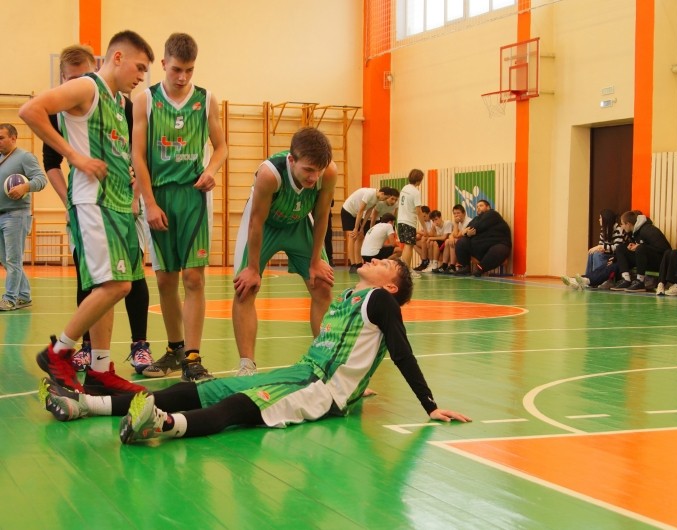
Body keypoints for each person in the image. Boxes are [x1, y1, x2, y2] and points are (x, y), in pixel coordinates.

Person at [39, 258, 471, 444]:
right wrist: (357, 387)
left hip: (318, 389)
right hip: (301, 373)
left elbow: (401, 352)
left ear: (391, 287)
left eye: (385, 265)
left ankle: (163, 426)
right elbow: (360, 352)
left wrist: (429, 405)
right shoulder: (350, 297)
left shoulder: (382, 302)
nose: (375, 261)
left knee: (239, 406)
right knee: (204, 390)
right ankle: (86, 405)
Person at [19, 30, 155, 394]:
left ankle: (99, 369)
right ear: (118, 58)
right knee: (117, 285)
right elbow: (30, 111)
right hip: (93, 202)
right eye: (140, 67)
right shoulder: (86, 87)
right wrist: (74, 156)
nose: (142, 76)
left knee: (111, 286)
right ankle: (59, 352)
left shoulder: (118, 101)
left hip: (118, 206)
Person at [131, 33, 227, 382]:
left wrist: (211, 170)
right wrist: (149, 202)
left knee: (194, 278)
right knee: (165, 278)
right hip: (159, 196)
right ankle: (175, 349)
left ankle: (193, 357)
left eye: (189, 70)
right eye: (176, 70)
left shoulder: (206, 99)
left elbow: (221, 147)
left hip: (193, 197)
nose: (183, 77)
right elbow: (137, 155)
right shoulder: (145, 100)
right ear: (163, 65)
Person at [232, 127, 337, 376]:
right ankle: (247, 366)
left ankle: (326, 364)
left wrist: (315, 261)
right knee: (246, 288)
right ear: (291, 160)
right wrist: (252, 268)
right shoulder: (270, 174)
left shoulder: (328, 172)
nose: (313, 177)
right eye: (308, 170)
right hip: (265, 225)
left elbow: (322, 215)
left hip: (298, 224)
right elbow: (256, 222)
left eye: (318, 171)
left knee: (322, 284)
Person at [0, 124, 47, 311]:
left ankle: (9, 299)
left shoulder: (25, 157)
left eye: (1, 138)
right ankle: (24, 296)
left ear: (13, 138)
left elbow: (41, 179)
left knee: (13, 260)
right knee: (6, 260)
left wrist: (25, 187)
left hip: (16, 215)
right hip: (1, 214)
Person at [561, 208, 625, 290]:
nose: (599, 220)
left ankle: (594, 280)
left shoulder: (618, 230)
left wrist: (601, 247)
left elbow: (617, 248)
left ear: (605, 219)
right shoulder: (604, 229)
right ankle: (584, 278)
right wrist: (600, 248)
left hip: (613, 256)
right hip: (607, 254)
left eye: (600, 218)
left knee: (597, 254)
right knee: (592, 253)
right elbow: (601, 244)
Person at [610, 211, 672, 292]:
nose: (622, 227)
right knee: (620, 248)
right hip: (644, 259)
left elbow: (665, 249)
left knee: (640, 248)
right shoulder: (634, 232)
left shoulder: (649, 230)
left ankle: (640, 281)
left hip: (659, 262)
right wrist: (615, 258)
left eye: (622, 224)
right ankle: (626, 279)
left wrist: (641, 246)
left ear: (628, 224)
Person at [341, 187, 399, 272]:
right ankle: (353, 265)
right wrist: (356, 228)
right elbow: (361, 211)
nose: (385, 200)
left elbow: (368, 212)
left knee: (360, 236)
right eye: (386, 198)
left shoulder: (378, 199)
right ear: (382, 194)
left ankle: (358, 263)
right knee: (352, 236)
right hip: (348, 211)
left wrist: (362, 228)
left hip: (357, 214)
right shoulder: (369, 194)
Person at [452, 199, 511, 276]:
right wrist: (467, 233)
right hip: (480, 247)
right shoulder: (476, 218)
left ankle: (480, 269)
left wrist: (466, 231)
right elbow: (466, 230)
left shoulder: (492, 214)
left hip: (496, 243)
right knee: (462, 242)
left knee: (499, 249)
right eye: (477, 207)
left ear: (488, 207)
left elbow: (478, 226)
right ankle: (465, 267)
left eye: (481, 205)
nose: (478, 208)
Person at [397, 169, 428, 279]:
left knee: (407, 246)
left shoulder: (404, 188)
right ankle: (406, 271)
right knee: (409, 246)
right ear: (419, 180)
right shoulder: (415, 192)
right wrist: (425, 228)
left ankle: (404, 270)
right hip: (409, 222)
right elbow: (419, 212)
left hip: (400, 221)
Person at [432, 204, 467, 274]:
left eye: (458, 213)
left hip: (468, 243)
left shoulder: (467, 222)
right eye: (454, 213)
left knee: (452, 240)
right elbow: (453, 234)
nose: (456, 215)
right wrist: (451, 236)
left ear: (464, 213)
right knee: (448, 240)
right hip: (460, 242)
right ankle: (445, 265)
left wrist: (456, 224)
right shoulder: (459, 222)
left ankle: (452, 266)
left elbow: (456, 235)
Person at [413, 206, 432, 271]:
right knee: (412, 242)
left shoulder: (432, 221)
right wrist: (413, 237)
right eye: (422, 217)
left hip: (432, 239)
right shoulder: (425, 223)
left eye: (424, 216)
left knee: (423, 239)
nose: (423, 219)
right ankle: (425, 259)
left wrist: (417, 231)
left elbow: (428, 234)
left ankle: (424, 261)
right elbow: (420, 234)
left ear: (429, 213)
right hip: (427, 239)